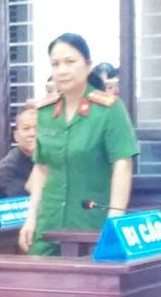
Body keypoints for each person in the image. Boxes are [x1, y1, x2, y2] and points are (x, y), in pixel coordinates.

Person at [18, 33, 139, 256]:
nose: (62, 70)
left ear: (88, 65)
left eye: (70, 62)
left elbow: (123, 166)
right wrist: (31, 217)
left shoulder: (109, 109)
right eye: (55, 64)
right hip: (48, 224)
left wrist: (114, 221)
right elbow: (42, 168)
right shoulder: (45, 112)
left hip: (91, 225)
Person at [0, 109, 37, 199]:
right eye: (26, 129)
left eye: (38, 128)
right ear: (16, 136)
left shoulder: (52, 159)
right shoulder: (8, 167)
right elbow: (25, 201)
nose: (32, 133)